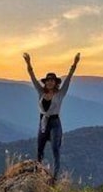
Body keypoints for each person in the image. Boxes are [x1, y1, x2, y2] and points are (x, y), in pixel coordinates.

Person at [23, 52, 80, 181]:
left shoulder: (60, 94)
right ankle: (37, 173)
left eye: (52, 80)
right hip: (43, 122)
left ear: (55, 83)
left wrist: (75, 64)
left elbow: (69, 78)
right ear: (46, 82)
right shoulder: (40, 91)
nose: (49, 82)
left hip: (54, 122)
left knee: (55, 149)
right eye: (48, 80)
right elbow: (32, 77)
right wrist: (28, 63)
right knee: (40, 149)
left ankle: (54, 178)